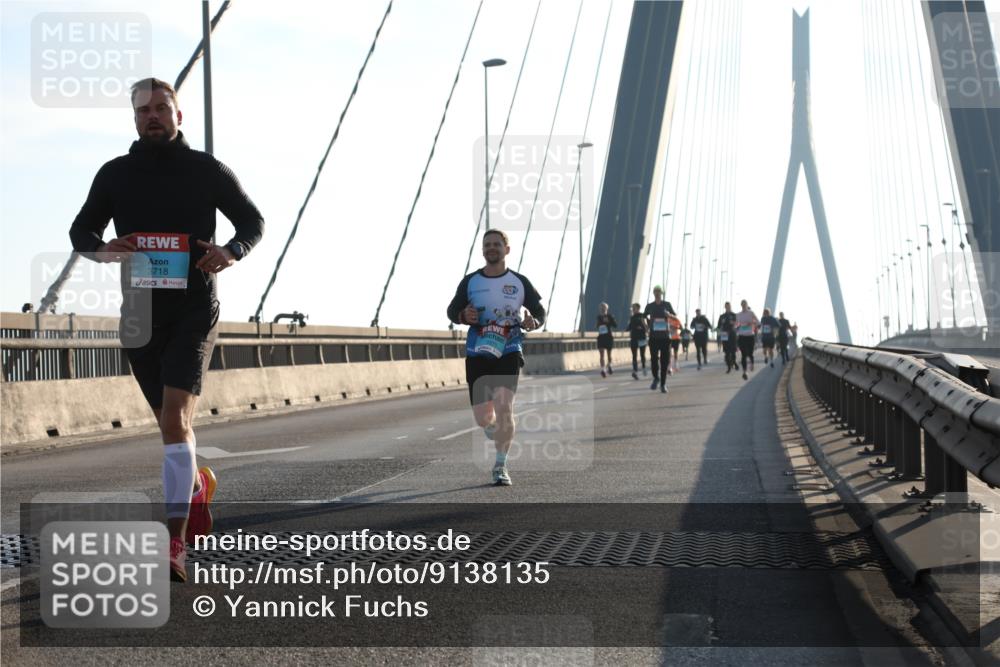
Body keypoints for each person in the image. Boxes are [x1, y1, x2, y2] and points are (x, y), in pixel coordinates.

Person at [69, 78, 265, 582]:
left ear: (179, 116)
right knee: (169, 427)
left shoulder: (206, 170)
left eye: (160, 108)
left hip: (194, 309)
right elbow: (82, 230)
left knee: (176, 421)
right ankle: (196, 485)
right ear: (134, 119)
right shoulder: (115, 174)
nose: (151, 116)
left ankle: (174, 542)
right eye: (142, 111)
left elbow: (251, 221)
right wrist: (103, 248)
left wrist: (231, 252)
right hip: (139, 315)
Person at [447, 229, 545, 487]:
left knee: (504, 407)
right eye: (487, 244)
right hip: (477, 349)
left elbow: (539, 312)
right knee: (482, 417)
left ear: (507, 250)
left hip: (509, 347)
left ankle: (500, 465)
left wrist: (532, 322)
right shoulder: (470, 282)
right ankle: (495, 431)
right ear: (482, 250)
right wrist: (462, 316)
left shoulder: (520, 281)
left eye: (497, 244)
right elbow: (452, 310)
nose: (492, 248)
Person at [643, 286, 676, 393]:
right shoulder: (650, 306)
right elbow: (643, 317)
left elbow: (675, 318)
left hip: (665, 337)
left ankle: (663, 384)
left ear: (662, 293)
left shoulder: (667, 304)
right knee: (653, 360)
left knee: (664, 361)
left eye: (659, 292)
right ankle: (655, 378)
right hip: (653, 337)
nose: (657, 293)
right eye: (655, 292)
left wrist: (669, 315)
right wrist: (646, 327)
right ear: (653, 293)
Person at [735, 299, 760, 380]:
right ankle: (744, 372)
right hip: (742, 336)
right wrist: (736, 325)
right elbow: (736, 325)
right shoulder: (738, 315)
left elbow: (758, 322)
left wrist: (752, 323)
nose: (743, 306)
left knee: (750, 353)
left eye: (745, 304)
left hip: (750, 336)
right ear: (741, 305)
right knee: (743, 355)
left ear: (747, 305)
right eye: (742, 304)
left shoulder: (751, 313)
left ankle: (752, 363)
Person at [595, 303, 617, 378]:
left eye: (604, 308)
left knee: (609, 354)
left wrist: (609, 321)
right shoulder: (598, 317)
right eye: (601, 308)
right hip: (601, 337)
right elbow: (597, 326)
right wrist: (599, 324)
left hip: (608, 337)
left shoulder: (610, 316)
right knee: (601, 354)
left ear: (607, 309)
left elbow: (615, 325)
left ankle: (609, 365)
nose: (602, 309)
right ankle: (603, 370)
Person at [627, 302, 648, 380]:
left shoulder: (643, 316)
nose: (632, 309)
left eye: (634, 308)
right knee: (634, 355)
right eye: (632, 308)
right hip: (634, 338)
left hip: (642, 337)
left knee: (642, 354)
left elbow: (646, 327)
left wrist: (642, 327)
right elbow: (629, 327)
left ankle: (644, 367)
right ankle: (635, 371)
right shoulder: (632, 317)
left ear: (638, 308)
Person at [717, 302, 738, 373]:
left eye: (728, 306)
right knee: (726, 352)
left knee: (733, 351)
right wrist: (717, 331)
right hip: (724, 334)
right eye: (726, 306)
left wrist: (734, 323)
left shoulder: (734, 315)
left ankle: (734, 362)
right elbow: (719, 326)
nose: (727, 307)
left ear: (730, 307)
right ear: (725, 307)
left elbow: (737, 323)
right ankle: (729, 367)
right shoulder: (722, 316)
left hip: (732, 333)